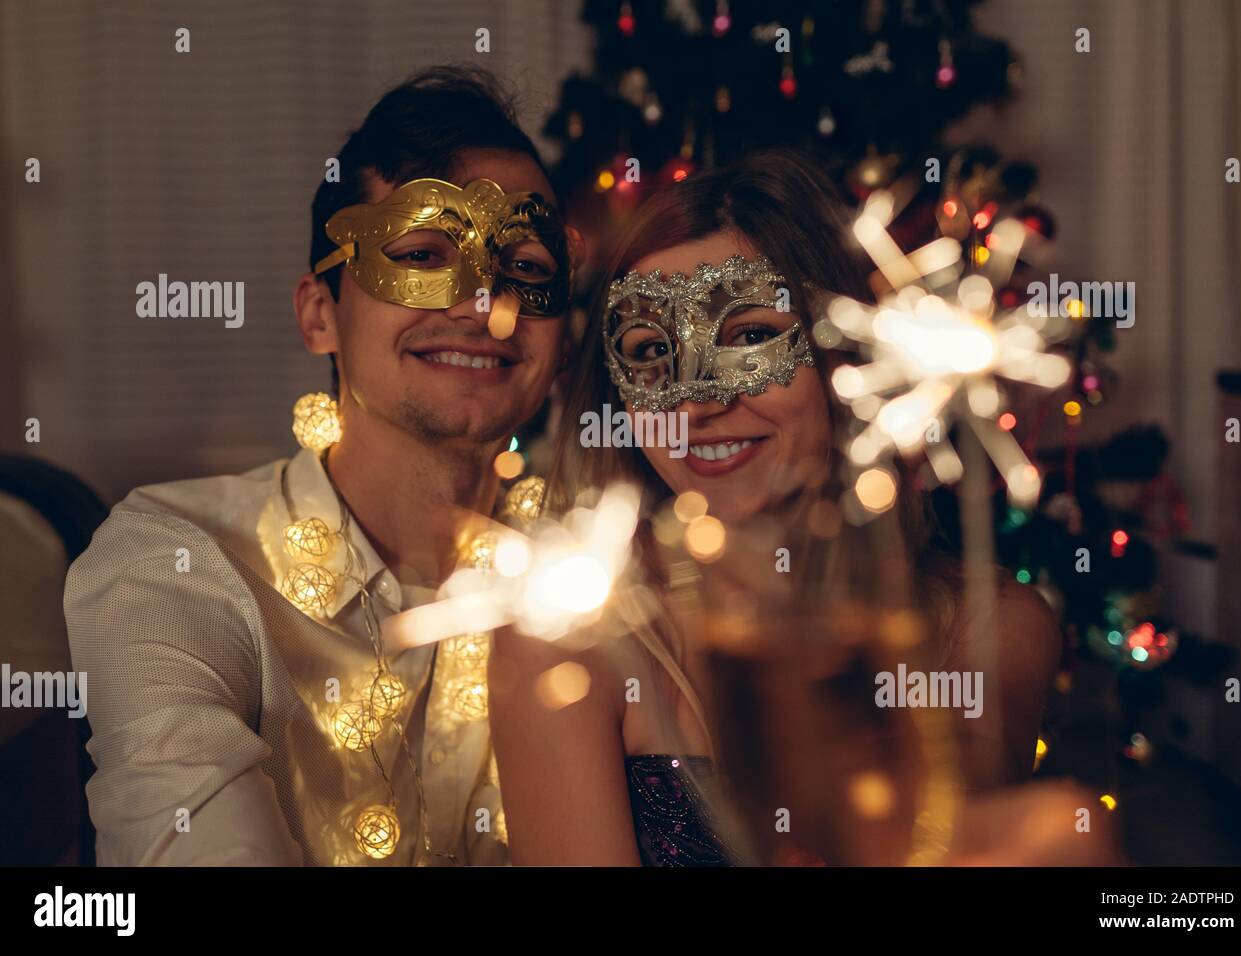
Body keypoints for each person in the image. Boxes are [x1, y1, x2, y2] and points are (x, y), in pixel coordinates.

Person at [489, 151, 1062, 866]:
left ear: (844, 356)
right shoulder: (566, 643)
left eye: (752, 336)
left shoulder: (986, 627)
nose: (699, 402)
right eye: (650, 351)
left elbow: (945, 834)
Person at [63, 66, 574, 865]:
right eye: (422, 253)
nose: (483, 304)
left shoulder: (593, 584)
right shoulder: (172, 563)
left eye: (529, 267)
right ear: (317, 315)